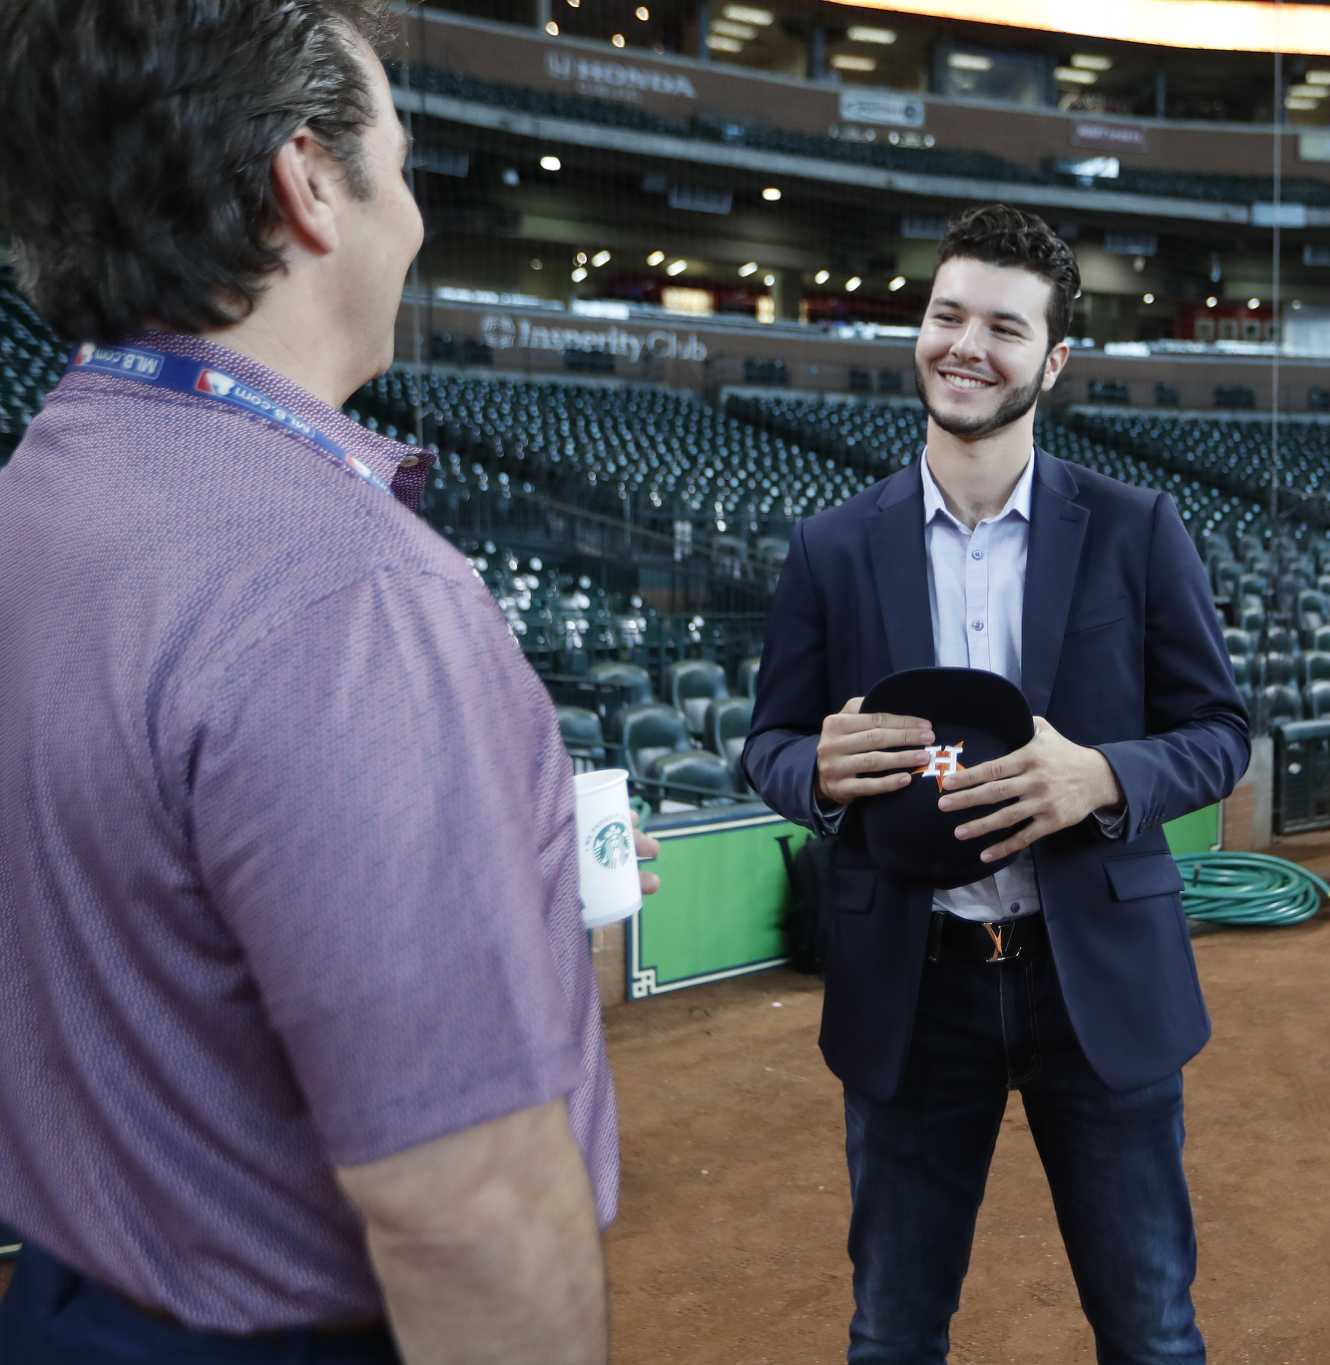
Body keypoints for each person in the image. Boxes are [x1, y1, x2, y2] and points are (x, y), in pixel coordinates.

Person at [0, 5, 649, 1361]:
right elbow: (469, 1212)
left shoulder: (38, 491)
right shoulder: (353, 596)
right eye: (399, 165)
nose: (410, 215)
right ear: (308, 182)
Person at [744, 204, 1250, 1364]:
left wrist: (1103, 777)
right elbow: (769, 739)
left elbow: (1221, 730)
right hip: (914, 995)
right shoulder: (833, 545)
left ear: (1053, 361)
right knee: (893, 1334)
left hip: (1095, 992)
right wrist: (813, 773)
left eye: (1003, 327)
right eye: (945, 314)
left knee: (1151, 1329)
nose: (964, 345)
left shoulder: (1135, 529)